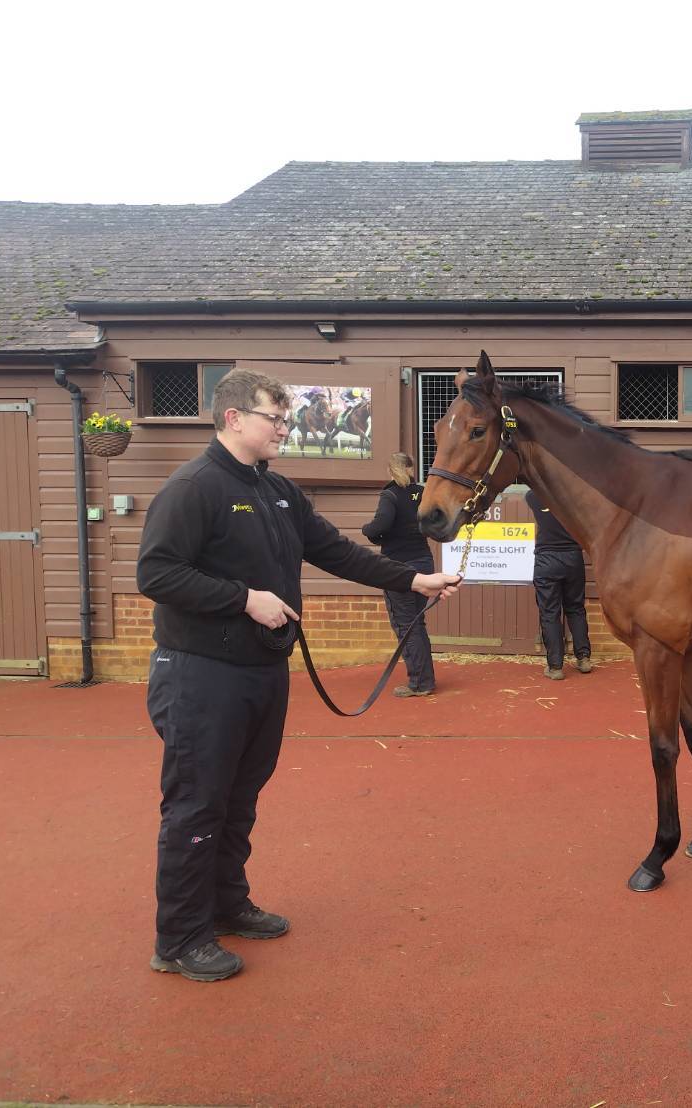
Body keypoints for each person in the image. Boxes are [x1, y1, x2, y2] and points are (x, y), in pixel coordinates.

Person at [137, 369, 460, 983]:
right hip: (200, 675)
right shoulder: (194, 487)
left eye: (286, 418)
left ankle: (227, 905)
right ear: (234, 418)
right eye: (274, 418)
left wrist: (414, 580)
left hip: (260, 672)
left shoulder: (277, 490)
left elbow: (337, 552)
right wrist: (242, 598)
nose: (284, 428)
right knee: (196, 806)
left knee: (240, 799)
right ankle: (178, 937)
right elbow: (156, 574)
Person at [361, 452, 438, 697]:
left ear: (390, 471)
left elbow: (379, 526)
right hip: (424, 562)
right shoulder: (423, 492)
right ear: (411, 468)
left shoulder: (390, 495)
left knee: (406, 624)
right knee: (417, 622)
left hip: (399, 567)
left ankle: (419, 683)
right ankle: (425, 679)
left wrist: (368, 531)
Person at [527, 487, 592, 680]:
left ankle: (555, 667)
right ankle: (584, 658)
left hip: (546, 559)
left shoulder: (533, 496)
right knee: (576, 608)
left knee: (549, 613)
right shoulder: (575, 496)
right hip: (573, 557)